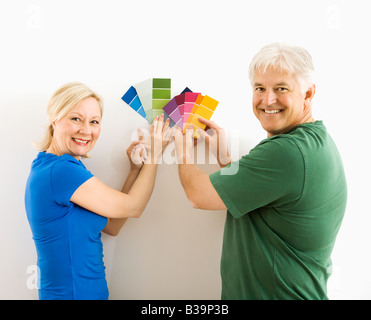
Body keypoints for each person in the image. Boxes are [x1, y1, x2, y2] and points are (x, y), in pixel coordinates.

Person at [174, 43, 347, 300]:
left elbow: (197, 195)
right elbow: (263, 200)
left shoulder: (287, 152)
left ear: (308, 94)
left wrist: (181, 149)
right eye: (260, 88)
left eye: (281, 88)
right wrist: (226, 161)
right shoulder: (315, 141)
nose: (268, 100)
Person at [25, 82, 171, 300]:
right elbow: (135, 207)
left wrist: (134, 171)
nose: (86, 130)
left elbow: (112, 226)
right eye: (76, 119)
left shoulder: (57, 167)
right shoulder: (61, 171)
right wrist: (155, 155)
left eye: (94, 121)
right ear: (55, 119)